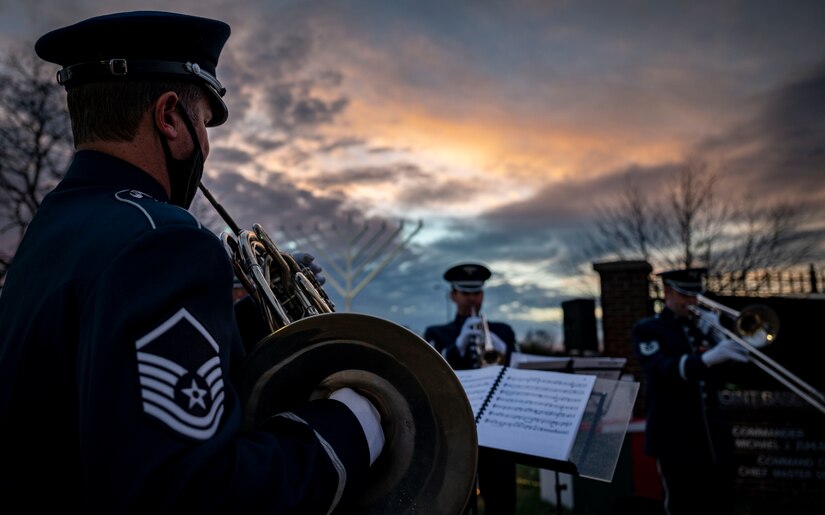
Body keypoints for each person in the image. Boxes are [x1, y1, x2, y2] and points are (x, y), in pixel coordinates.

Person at [0, 11, 383, 514]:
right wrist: (353, 425)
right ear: (169, 118)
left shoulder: (53, 229)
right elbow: (197, 494)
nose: (204, 145)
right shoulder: (164, 241)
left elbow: (104, 378)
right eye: (203, 123)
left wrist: (254, 320)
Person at [631, 268, 749, 515]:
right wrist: (709, 358)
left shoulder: (701, 328)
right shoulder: (649, 329)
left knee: (721, 502)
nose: (692, 302)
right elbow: (662, 369)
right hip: (675, 438)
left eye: (696, 295)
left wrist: (719, 336)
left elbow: (736, 375)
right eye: (685, 295)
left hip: (713, 437)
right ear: (667, 292)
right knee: (682, 504)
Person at [424, 263, 517, 515]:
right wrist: (457, 346)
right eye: (465, 293)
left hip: (498, 430)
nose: (471, 299)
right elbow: (432, 376)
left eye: (476, 293)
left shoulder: (503, 331)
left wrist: (504, 350)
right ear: (453, 295)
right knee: (456, 502)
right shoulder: (437, 334)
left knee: (503, 501)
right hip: (456, 430)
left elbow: (517, 374)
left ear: (483, 294)